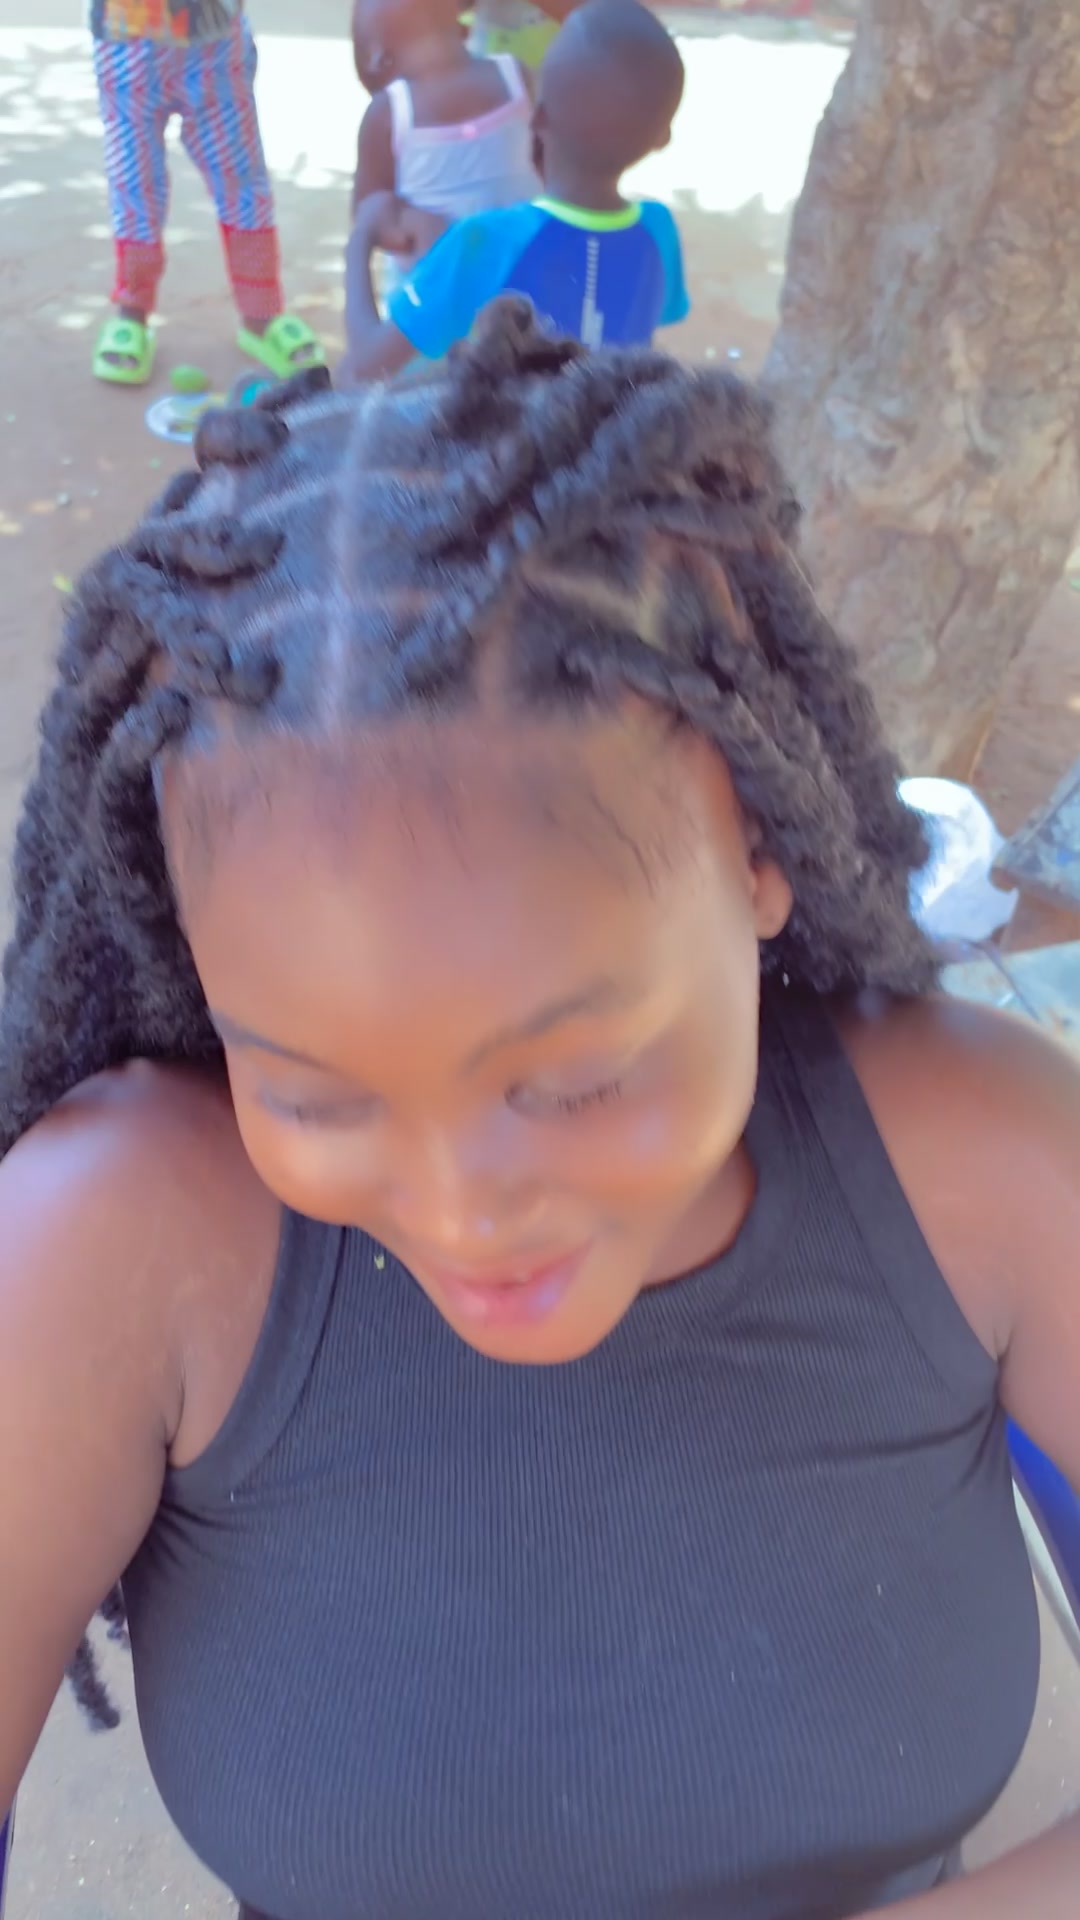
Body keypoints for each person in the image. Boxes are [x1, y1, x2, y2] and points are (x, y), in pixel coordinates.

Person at [2, 299, 1079, 1919]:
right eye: (307, 1092)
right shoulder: (110, 1249)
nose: (463, 1209)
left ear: (763, 855)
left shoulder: (987, 1172)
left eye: (573, 1078)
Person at [342, 0, 688, 380]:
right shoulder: (659, 231)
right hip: (607, 417)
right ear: (662, 138)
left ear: (536, 118)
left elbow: (366, 366)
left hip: (506, 421)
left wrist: (359, 242)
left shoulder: (483, 242)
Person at [90, 0, 325, 386]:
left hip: (214, 43)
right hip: (126, 39)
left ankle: (261, 315)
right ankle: (131, 312)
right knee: (134, 182)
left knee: (241, 179)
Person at [349, 0, 539, 240]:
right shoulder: (514, 76)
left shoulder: (385, 114)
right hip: (526, 256)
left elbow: (368, 216)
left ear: (379, 62)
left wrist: (414, 229)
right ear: (464, 30)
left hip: (436, 266)